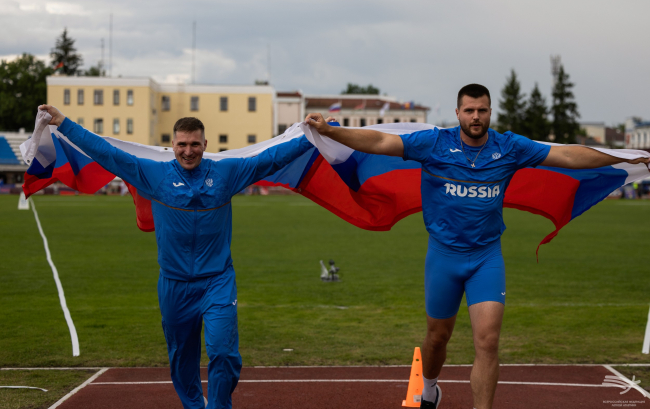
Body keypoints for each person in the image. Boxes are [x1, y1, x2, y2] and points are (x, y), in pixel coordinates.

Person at [304, 84, 649, 409]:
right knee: (437, 338)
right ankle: (429, 388)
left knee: (487, 341)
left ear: (490, 112)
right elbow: (380, 141)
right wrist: (332, 132)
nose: (476, 117)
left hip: (486, 258)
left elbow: (568, 155)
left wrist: (618, 156)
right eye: (469, 110)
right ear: (457, 112)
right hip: (443, 257)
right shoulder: (433, 144)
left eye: (482, 110)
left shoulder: (509, 147)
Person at [38, 104, 313, 409]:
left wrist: (314, 136)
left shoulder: (227, 173)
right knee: (182, 360)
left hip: (218, 281)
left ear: (205, 144)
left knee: (224, 353)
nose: (188, 151)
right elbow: (107, 153)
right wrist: (64, 123)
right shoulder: (154, 174)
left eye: (195, 144)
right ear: (172, 145)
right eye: (182, 144)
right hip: (174, 285)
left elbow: (270, 159)